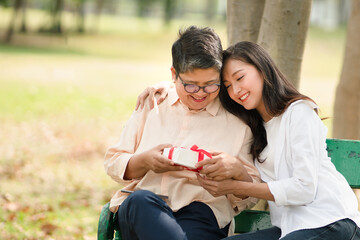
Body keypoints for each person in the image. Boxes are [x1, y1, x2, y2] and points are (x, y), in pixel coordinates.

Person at [137, 41, 360, 239]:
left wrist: (234, 186)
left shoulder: (298, 112)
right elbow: (200, 90)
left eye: (240, 77)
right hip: (291, 229)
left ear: (262, 68)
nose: (236, 90)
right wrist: (168, 86)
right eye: (227, 86)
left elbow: (304, 188)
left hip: (332, 221)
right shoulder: (254, 128)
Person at [104, 26, 260, 240]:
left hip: (202, 211)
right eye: (191, 85)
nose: (201, 93)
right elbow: (114, 162)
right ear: (173, 74)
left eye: (210, 85)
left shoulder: (238, 123)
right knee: (140, 201)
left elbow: (249, 195)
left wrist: (236, 170)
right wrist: (146, 161)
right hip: (144, 208)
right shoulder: (153, 104)